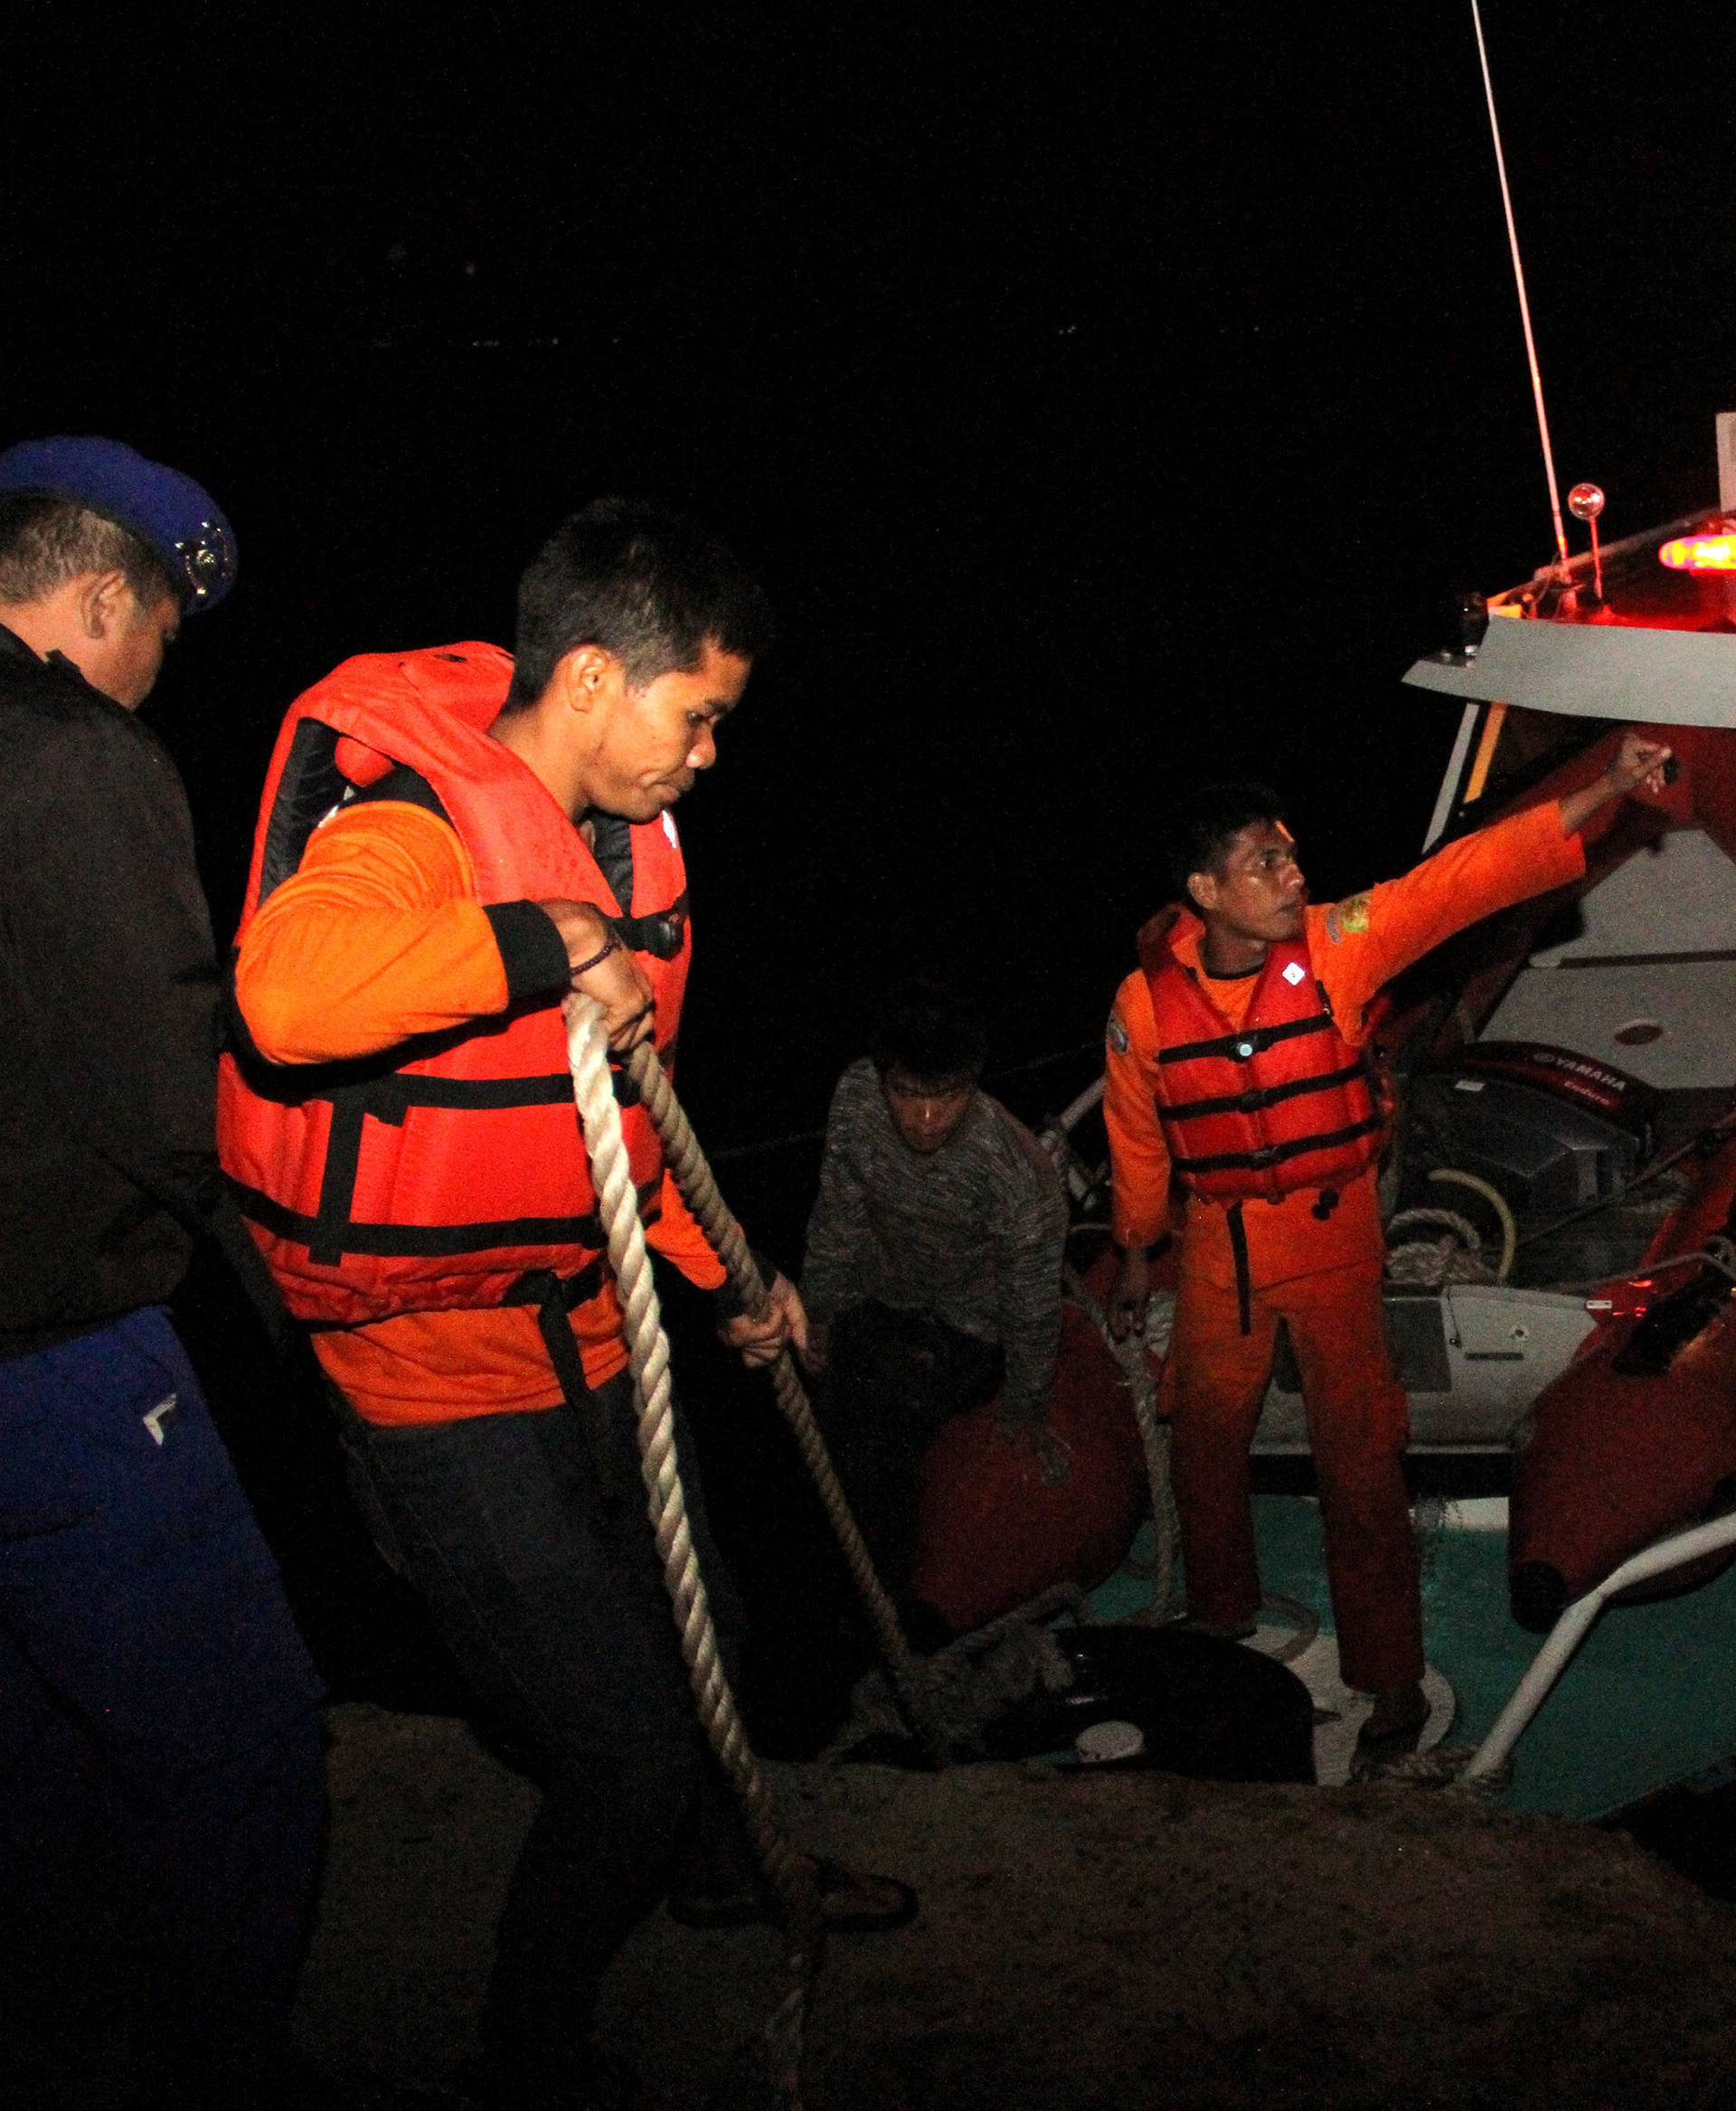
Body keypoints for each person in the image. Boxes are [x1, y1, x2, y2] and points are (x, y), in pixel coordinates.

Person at [218, 497, 910, 2110]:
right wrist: (542, 937)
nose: (707, 758)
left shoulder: (629, 840)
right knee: (621, 1747)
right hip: (429, 1373)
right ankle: (527, 2040)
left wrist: (728, 1278)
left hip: (592, 1331)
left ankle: (729, 1879)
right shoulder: (408, 826)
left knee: (719, 1650)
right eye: (699, 718)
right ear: (593, 680)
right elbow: (284, 990)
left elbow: (621, 1121)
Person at [1102, 731, 1673, 1763]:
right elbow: (1140, 1134)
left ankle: (1390, 1680)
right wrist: (1139, 1248)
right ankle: (1222, 1611)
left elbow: (1456, 881)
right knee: (1203, 1433)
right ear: (1204, 890)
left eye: (1289, 852)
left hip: (1331, 1236)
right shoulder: (1144, 1007)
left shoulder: (1338, 944)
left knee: (1360, 1462)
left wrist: (1603, 789)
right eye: (1264, 861)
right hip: (1221, 1249)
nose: (1293, 872)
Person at [0, 437, 326, 2108]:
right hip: (58, 1358)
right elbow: (161, 1092)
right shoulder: (75, 758)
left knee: (34, 1744)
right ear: (103, 595)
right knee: (243, 1748)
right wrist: (287, 1298)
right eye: (159, 635)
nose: (154, 671)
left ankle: (61, 2034)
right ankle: (221, 2065)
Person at [800, 979, 1069, 1606]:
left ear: (972, 1084)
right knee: (824, 1414)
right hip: (878, 1292)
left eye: (945, 1096)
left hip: (964, 1325)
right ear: (882, 1076)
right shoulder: (855, 1099)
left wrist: (1027, 1408)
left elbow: (1031, 1307)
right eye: (908, 1093)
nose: (925, 1118)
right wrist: (818, 1313)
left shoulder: (1012, 1170)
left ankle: (889, 1610)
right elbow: (837, 1214)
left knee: (880, 1438)